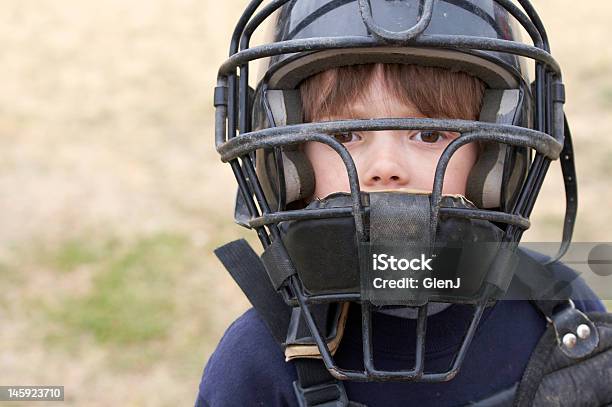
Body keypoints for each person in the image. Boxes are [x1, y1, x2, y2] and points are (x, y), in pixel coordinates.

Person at [197, 1, 612, 406]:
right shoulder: (255, 362)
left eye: (428, 135)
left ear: (496, 152)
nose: (386, 167)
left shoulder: (560, 311)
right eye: (345, 136)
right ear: (288, 154)